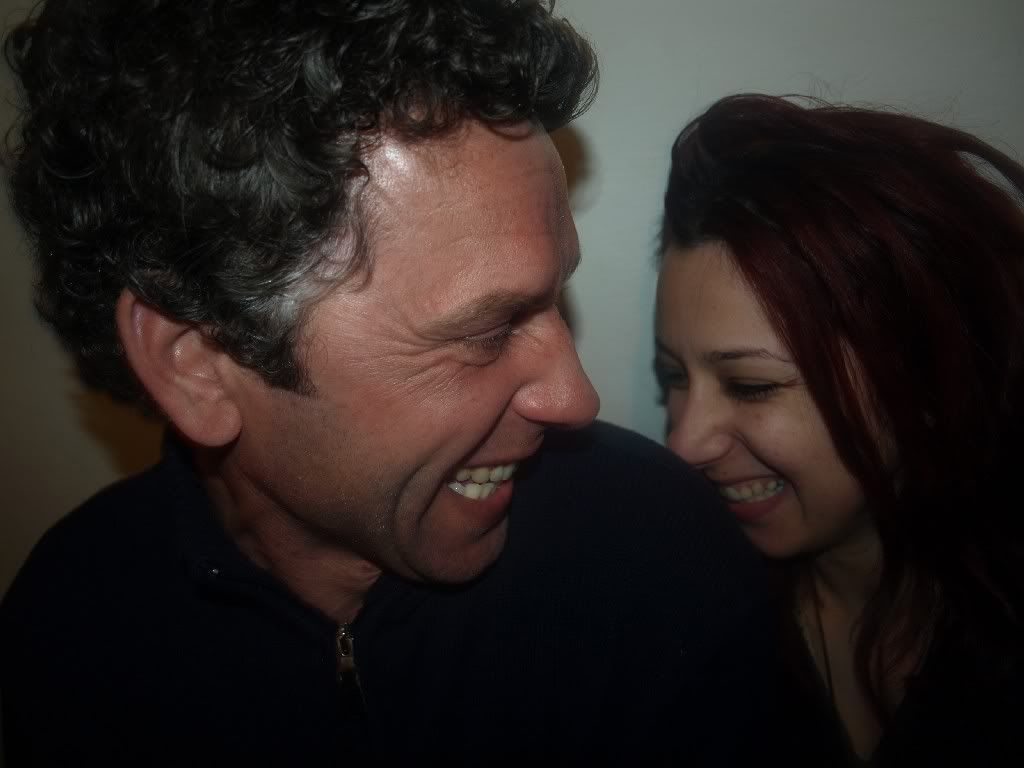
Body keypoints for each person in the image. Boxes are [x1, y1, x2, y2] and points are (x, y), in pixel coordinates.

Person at [1, 4, 794, 765]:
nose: (573, 399)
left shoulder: (659, 557)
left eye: (556, 298)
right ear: (198, 364)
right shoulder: (71, 627)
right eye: (486, 331)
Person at [654, 93, 1024, 766]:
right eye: (672, 377)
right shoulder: (685, 619)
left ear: (924, 380)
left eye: (752, 385)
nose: (684, 444)